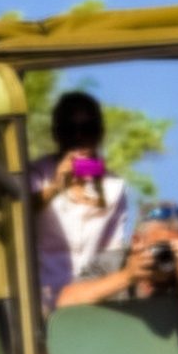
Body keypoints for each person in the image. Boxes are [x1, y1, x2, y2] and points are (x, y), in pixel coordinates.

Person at [54, 200, 178, 352]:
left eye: (174, 249)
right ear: (137, 242)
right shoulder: (112, 264)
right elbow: (65, 302)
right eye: (160, 248)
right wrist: (126, 277)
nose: (166, 257)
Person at [30, 90, 131, 307]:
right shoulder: (37, 174)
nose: (78, 138)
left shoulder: (114, 186)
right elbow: (21, 212)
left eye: (87, 129)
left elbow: (112, 251)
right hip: (43, 302)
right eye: (69, 129)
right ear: (56, 134)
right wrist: (57, 186)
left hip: (91, 301)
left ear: (100, 134)